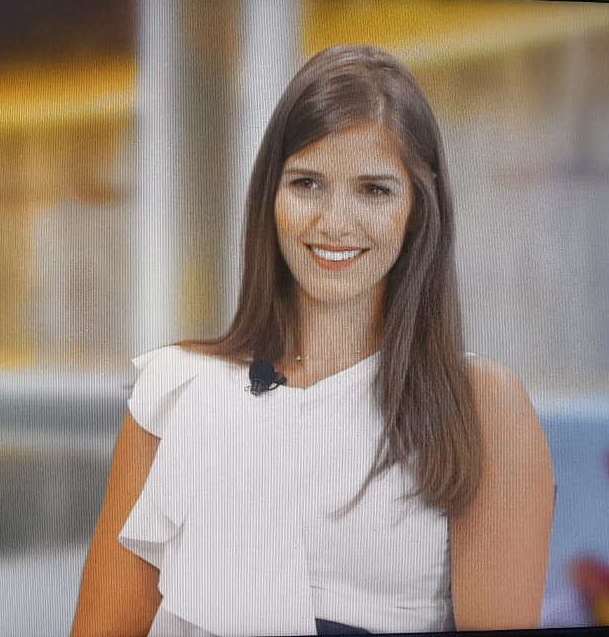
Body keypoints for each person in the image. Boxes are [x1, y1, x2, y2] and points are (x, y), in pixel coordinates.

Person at [71, 45, 554, 637]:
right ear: (270, 197)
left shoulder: (480, 405)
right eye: (307, 183)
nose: (334, 223)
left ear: (417, 209)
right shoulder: (174, 389)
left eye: (373, 190)